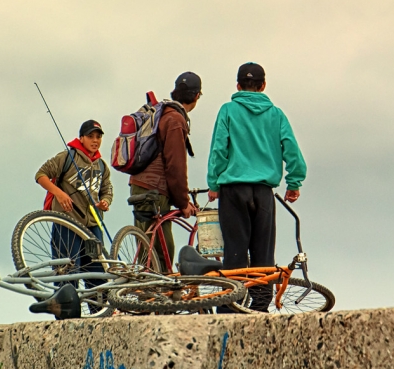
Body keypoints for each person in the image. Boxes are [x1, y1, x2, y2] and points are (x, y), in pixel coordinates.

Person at [207, 62, 306, 311]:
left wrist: (214, 183)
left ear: (238, 86)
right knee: (263, 253)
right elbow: (292, 150)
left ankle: (231, 307)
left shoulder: (228, 110)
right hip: (263, 193)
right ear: (263, 86)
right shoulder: (276, 114)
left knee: (235, 251)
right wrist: (294, 183)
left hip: (233, 190)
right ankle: (260, 306)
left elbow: (219, 148)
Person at [128, 72, 202, 271]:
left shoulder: (161, 113)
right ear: (196, 96)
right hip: (155, 191)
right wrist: (184, 202)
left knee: (146, 251)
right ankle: (157, 296)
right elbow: (175, 167)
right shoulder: (175, 120)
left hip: (138, 185)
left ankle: (146, 296)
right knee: (163, 256)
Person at [35, 119, 113, 291]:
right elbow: (41, 175)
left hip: (93, 226)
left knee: (97, 272)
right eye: (90, 136)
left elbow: (107, 189)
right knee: (68, 271)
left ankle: (98, 312)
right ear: (81, 138)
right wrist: (59, 193)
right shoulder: (67, 157)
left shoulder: (102, 165)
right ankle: (67, 311)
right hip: (67, 222)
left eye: (98, 137)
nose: (95, 140)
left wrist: (105, 202)